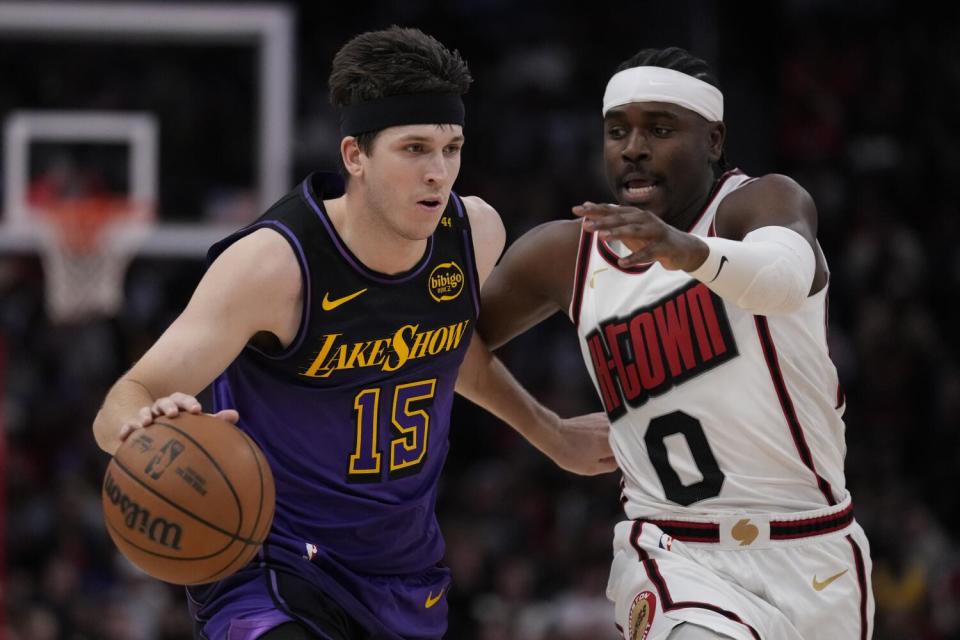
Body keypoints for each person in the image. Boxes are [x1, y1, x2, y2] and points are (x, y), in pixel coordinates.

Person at [93, 27, 613, 640]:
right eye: (414, 149)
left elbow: (447, 351)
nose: (438, 172)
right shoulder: (273, 267)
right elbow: (124, 399)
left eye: (452, 148)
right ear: (354, 156)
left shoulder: (476, 233)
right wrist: (148, 423)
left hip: (402, 571)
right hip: (273, 564)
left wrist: (550, 433)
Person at [478, 47, 874, 640]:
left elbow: (785, 276)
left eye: (659, 130)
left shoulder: (759, 203)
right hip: (673, 555)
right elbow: (441, 344)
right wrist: (546, 430)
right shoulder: (566, 254)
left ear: (714, 141)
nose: (633, 148)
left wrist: (685, 250)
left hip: (817, 554)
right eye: (617, 132)